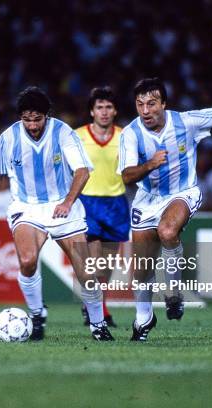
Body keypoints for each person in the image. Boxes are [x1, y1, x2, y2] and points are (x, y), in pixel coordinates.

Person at [118, 78, 212, 341]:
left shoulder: (186, 121)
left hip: (183, 192)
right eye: (140, 104)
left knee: (167, 231)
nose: (145, 111)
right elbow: (126, 176)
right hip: (147, 199)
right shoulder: (130, 134)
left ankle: (173, 292)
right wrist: (150, 165)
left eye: (152, 104)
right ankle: (144, 319)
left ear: (164, 104)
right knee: (141, 269)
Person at [0, 86, 114, 341]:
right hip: (27, 208)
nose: (32, 125)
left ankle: (97, 324)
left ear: (47, 115)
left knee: (86, 272)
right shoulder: (8, 138)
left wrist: (67, 202)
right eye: (26, 119)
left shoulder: (63, 132)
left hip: (64, 206)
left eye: (37, 119)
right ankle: (37, 313)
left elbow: (82, 171)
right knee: (27, 260)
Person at [74, 86, 130, 328]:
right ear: (91, 111)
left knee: (106, 267)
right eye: (100, 107)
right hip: (88, 202)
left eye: (108, 107)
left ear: (115, 110)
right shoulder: (77, 136)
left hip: (116, 203)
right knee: (95, 260)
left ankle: (93, 304)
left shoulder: (125, 136)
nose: (104, 112)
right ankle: (100, 312)